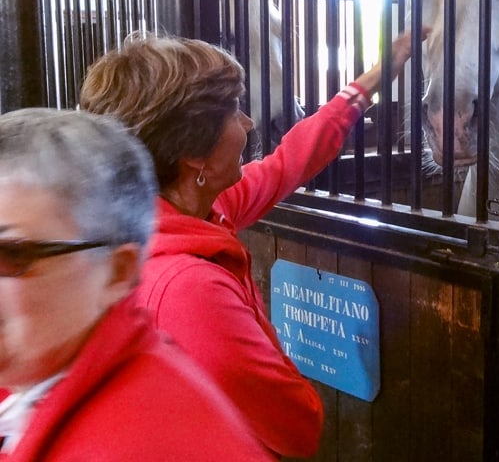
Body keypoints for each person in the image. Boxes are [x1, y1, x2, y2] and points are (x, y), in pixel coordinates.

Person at [79, 27, 429, 458]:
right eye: (234, 113)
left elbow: (290, 162)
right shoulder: (189, 288)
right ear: (195, 154)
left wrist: (377, 75)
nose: (248, 122)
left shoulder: (181, 214)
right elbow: (294, 422)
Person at [0, 108, 273, 461]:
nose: (248, 122)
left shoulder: (156, 441)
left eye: (11, 254)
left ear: (117, 272)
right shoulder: (38, 379)